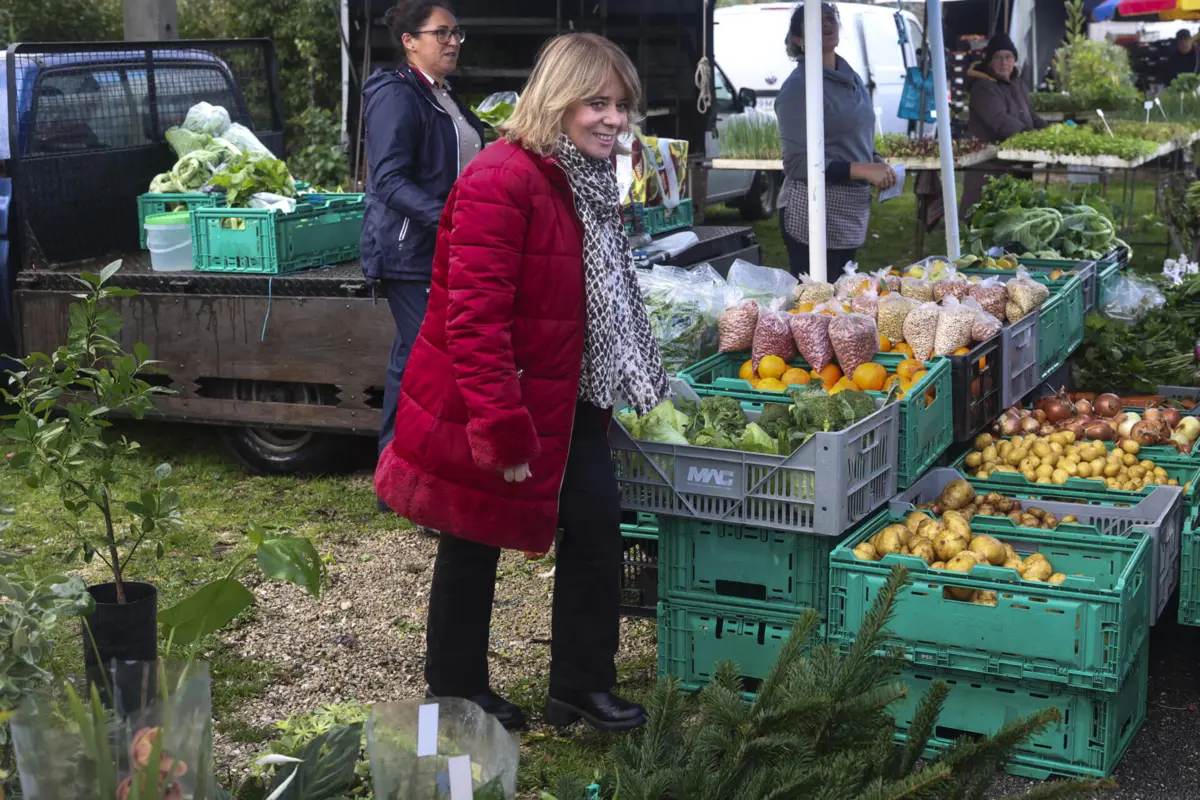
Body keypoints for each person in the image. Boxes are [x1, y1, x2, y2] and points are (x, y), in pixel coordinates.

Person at [374, 32, 670, 732]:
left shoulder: (582, 177)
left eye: (620, 105)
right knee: (471, 536)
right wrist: (501, 427)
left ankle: (580, 688)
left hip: (569, 394)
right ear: (557, 99)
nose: (613, 119)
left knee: (596, 528)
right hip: (492, 398)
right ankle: (455, 693)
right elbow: (474, 321)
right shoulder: (501, 179)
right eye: (597, 103)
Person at [360, 0, 484, 509]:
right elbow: (388, 180)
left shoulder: (444, 95)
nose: (452, 42)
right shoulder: (396, 93)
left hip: (443, 247)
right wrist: (450, 217)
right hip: (409, 250)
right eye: (441, 33)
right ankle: (413, 482)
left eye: (457, 33)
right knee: (432, 361)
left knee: (409, 360)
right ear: (410, 41)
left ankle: (394, 480)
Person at [776, 2, 896, 278]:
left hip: (850, 209)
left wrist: (875, 160)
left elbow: (854, 134)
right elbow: (797, 164)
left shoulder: (851, 77)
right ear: (799, 40)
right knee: (819, 299)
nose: (826, 23)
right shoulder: (798, 88)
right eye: (815, 21)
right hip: (812, 212)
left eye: (830, 17)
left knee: (843, 295)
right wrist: (864, 170)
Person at [959, 33, 1047, 218]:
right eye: (998, 57)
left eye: (1008, 57)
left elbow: (1030, 116)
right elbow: (1000, 121)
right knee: (982, 211)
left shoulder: (1017, 84)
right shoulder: (983, 87)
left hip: (1015, 158)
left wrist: (1051, 132)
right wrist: (1032, 137)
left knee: (1012, 212)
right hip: (988, 162)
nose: (1004, 62)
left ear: (1014, 60)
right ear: (989, 61)